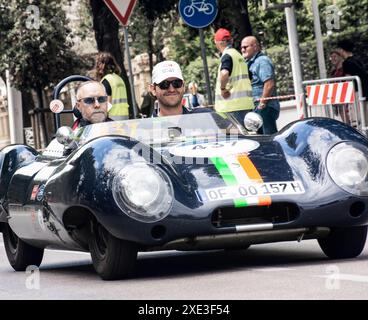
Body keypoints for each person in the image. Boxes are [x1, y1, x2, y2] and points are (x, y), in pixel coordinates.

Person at [214, 28, 254, 124]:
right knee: (245, 136)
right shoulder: (238, 56)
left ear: (218, 42)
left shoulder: (227, 56)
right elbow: (250, 76)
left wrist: (223, 89)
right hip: (245, 105)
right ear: (231, 41)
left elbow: (224, 73)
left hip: (230, 107)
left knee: (233, 137)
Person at [241, 36, 280, 134]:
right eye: (241, 47)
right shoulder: (250, 62)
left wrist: (262, 104)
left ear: (255, 47)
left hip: (265, 108)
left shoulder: (262, 61)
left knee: (269, 138)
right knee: (262, 140)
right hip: (259, 107)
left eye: (245, 47)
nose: (242, 50)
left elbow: (269, 84)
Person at [95, 52, 130, 120]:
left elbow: (107, 103)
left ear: (103, 65)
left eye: (99, 64)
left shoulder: (106, 80)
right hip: (125, 117)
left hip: (112, 119)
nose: (98, 67)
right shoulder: (119, 79)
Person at [329, 50, 349, 122]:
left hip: (345, 95)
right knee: (342, 114)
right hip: (337, 96)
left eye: (335, 56)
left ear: (340, 57)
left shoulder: (345, 67)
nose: (333, 59)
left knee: (345, 114)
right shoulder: (333, 71)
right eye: (331, 57)